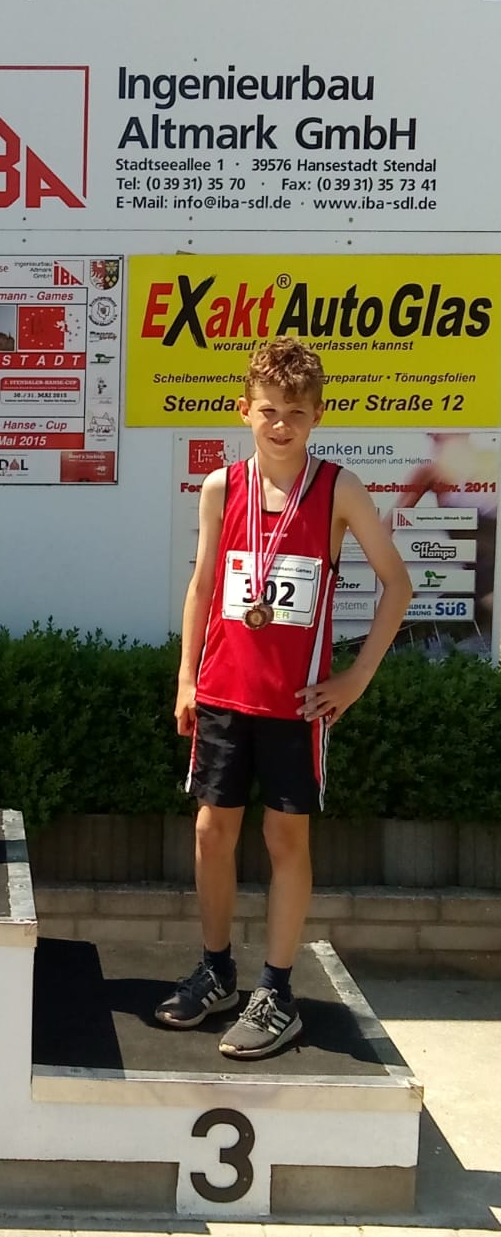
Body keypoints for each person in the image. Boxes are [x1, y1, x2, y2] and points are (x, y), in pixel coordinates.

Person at [161, 338, 411, 1057]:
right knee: (211, 832)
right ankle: (217, 972)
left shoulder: (338, 490)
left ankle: (276, 991)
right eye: (269, 410)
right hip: (223, 695)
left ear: (317, 417)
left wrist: (355, 679)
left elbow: (398, 585)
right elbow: (203, 587)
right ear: (245, 410)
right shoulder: (221, 487)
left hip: (295, 705)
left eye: (296, 413)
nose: (281, 425)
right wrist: (186, 676)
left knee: (285, 839)